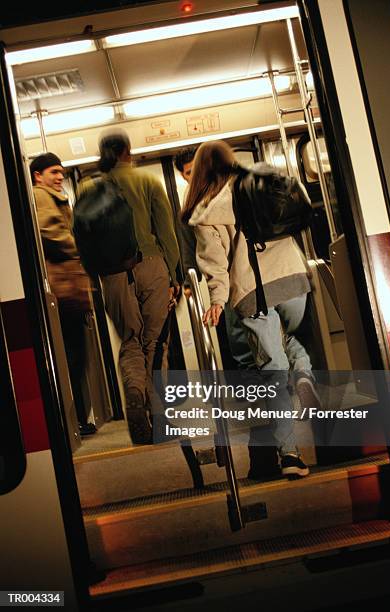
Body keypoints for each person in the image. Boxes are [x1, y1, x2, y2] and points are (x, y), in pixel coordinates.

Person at [182, 140, 320, 478]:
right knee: (291, 342)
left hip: (251, 291)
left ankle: (289, 455)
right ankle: (303, 376)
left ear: (199, 171)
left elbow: (215, 263)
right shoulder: (260, 182)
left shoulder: (205, 211)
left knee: (271, 367)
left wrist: (217, 300)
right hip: (291, 278)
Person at [97, 129, 181, 445]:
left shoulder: (90, 188)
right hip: (151, 266)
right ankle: (160, 416)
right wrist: (175, 277)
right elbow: (167, 234)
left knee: (130, 341)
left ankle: (134, 392)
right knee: (155, 342)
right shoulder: (147, 182)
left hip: (113, 275)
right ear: (128, 152)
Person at [30, 152, 96, 437]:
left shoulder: (52, 196)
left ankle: (78, 420)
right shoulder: (40, 196)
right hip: (64, 287)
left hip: (69, 288)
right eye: (54, 172)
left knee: (75, 357)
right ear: (38, 175)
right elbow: (50, 233)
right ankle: (74, 421)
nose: (59, 177)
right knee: (71, 357)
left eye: (61, 172)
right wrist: (81, 248)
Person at [175, 146, 255, 370]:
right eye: (190, 172)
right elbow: (190, 247)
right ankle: (258, 394)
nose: (196, 175)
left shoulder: (230, 190)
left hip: (250, 272)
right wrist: (190, 280)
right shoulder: (191, 206)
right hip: (227, 277)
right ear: (183, 176)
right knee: (241, 340)